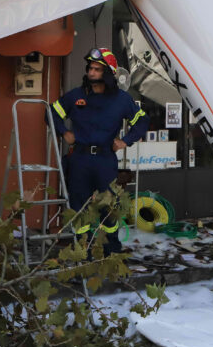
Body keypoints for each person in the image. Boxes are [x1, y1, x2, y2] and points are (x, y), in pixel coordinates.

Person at [51, 47, 148, 254]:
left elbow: (142, 121)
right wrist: (63, 133)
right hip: (80, 159)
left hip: (105, 159)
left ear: (109, 74)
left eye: (97, 69)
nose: (91, 73)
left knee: (108, 207)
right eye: (90, 68)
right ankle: (82, 250)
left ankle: (109, 250)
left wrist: (125, 141)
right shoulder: (76, 96)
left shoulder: (122, 99)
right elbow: (52, 111)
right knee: (79, 207)